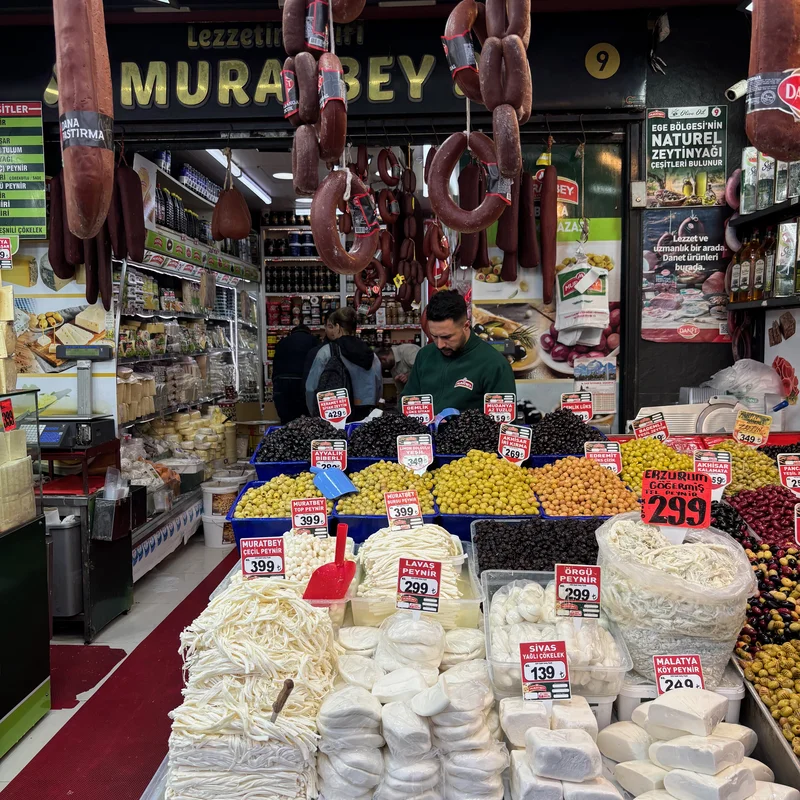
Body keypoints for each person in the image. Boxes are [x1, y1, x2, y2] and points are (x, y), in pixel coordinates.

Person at [402, 290, 516, 413]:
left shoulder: (495, 365)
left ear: (466, 326)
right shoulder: (424, 356)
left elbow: (504, 421)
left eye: (447, 337)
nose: (440, 345)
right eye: (434, 336)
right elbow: (407, 401)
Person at [306, 307, 383, 421]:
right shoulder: (371, 354)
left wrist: (315, 414)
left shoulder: (327, 352)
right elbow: (379, 387)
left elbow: (311, 389)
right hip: (365, 415)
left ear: (337, 327)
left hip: (334, 415)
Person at [272, 325, 319, 423]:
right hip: (302, 383)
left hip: (282, 383)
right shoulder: (314, 341)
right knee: (306, 421)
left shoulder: (282, 342)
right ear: (308, 333)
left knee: (286, 420)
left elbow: (275, 365)